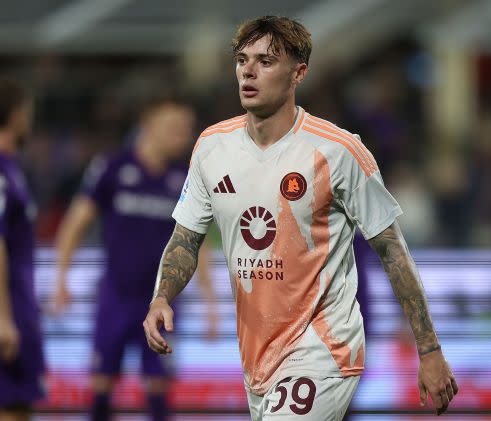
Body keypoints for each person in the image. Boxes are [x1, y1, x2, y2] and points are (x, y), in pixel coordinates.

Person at [143, 16, 458, 420]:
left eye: (266, 61)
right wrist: (161, 297)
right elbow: (186, 238)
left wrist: (428, 349)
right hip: (257, 354)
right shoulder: (211, 148)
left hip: (324, 348)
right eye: (242, 60)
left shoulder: (339, 151)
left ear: (299, 73)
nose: (249, 71)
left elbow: (392, 250)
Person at [52, 96, 217, 421]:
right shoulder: (112, 167)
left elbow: (197, 243)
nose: (182, 135)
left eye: (186, 129)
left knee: (158, 385)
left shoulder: (186, 178)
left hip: (162, 300)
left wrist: (210, 301)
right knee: (102, 382)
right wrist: (61, 280)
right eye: (174, 127)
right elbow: (74, 224)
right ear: (148, 126)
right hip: (115, 296)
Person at [0, 77, 45, 421]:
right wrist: (3, 319)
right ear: (15, 116)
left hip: (19, 308)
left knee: (19, 406)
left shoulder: (13, 170)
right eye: (27, 113)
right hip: (9, 311)